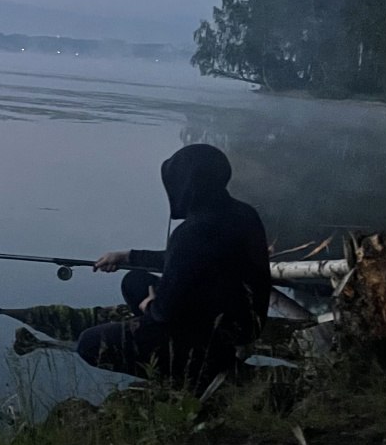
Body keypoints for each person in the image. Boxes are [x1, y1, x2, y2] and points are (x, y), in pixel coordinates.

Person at [76, 143, 271, 388]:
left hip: (210, 332)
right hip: (242, 322)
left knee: (89, 344)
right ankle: (190, 360)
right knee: (135, 281)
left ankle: (192, 374)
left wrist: (151, 307)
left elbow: (165, 310)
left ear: (187, 183)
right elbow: (181, 260)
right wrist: (127, 256)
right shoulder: (242, 213)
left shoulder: (193, 231)